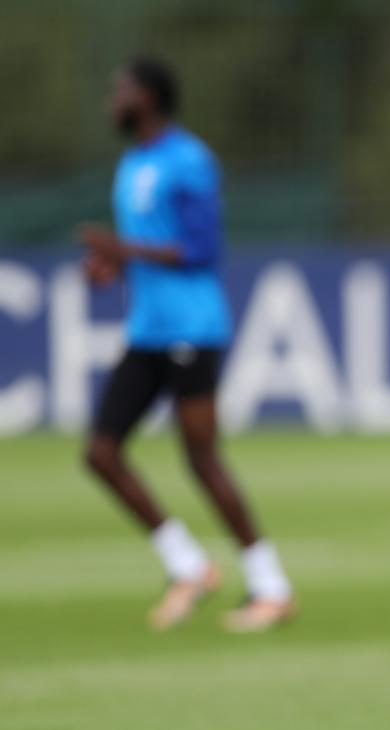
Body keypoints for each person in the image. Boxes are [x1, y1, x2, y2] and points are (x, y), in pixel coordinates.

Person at [79, 57, 294, 632]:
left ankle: (271, 586)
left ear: (148, 98)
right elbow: (148, 246)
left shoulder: (189, 159)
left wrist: (123, 249)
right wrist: (109, 265)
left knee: (201, 457)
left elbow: (201, 249)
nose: (113, 101)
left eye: (121, 91)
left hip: (191, 329)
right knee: (101, 453)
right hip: (147, 329)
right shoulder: (133, 163)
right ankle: (189, 566)